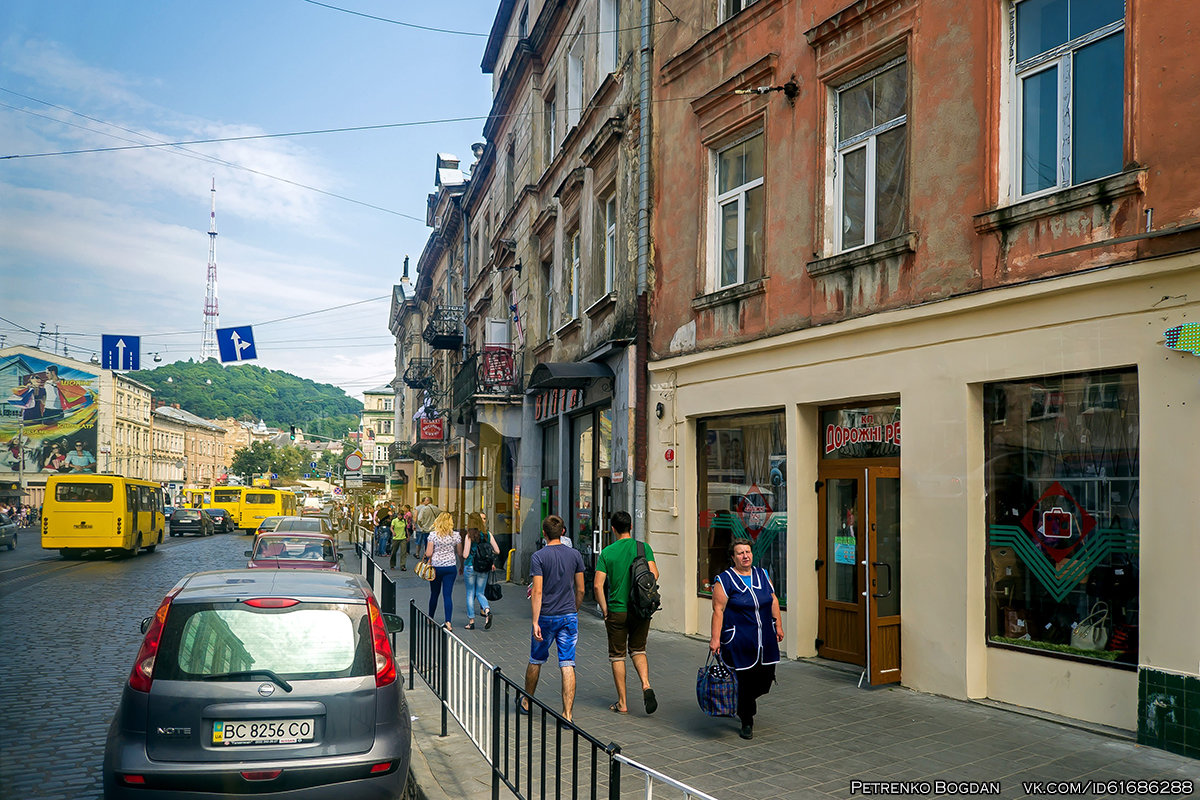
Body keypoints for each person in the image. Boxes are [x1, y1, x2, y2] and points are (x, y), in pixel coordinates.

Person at [709, 539, 783, 740]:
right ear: (733, 557)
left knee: (765, 678)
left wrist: (778, 624)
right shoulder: (724, 580)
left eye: (748, 552)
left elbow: (773, 599)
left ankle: (741, 700)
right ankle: (747, 720)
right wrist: (715, 639)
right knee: (744, 680)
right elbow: (718, 610)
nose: (745, 556)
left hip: (764, 638)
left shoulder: (762, 574)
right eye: (740, 553)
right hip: (739, 640)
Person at [521, 515, 585, 721]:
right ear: (563, 531)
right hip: (568, 616)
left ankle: (526, 701)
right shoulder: (575, 555)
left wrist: (535, 620)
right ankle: (568, 714)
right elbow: (581, 589)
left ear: (544, 534)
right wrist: (573, 610)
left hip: (546, 616)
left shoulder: (538, 557)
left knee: (536, 659)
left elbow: (537, 592)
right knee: (567, 663)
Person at [593, 510, 658, 715]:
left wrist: (605, 610)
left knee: (617, 655)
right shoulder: (643, 547)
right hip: (640, 608)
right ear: (630, 527)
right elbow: (654, 574)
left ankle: (622, 702)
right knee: (639, 649)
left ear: (613, 529)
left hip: (617, 610)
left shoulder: (607, 552)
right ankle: (646, 685)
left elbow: (597, 586)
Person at [461, 512, 500, 630]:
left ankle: (471, 621)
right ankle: (487, 611)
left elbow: (465, 554)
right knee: (480, 592)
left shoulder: (469, 535)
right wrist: (487, 554)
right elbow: (497, 550)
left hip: (470, 566)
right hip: (484, 567)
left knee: (470, 593)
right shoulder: (487, 534)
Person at [425, 511, 461, 630]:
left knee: (434, 594)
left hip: (436, 567)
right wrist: (462, 565)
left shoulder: (433, 535)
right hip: (450, 567)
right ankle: (448, 621)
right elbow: (460, 553)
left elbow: (428, 553)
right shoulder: (456, 535)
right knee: (447, 595)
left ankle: (430, 618)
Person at [414, 495, 440, 559]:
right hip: (435, 530)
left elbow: (419, 519)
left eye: (425, 500)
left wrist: (421, 526)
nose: (423, 502)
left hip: (426, 530)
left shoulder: (424, 509)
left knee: (427, 545)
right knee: (435, 546)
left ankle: (428, 559)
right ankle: (434, 558)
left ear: (428, 501)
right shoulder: (437, 509)